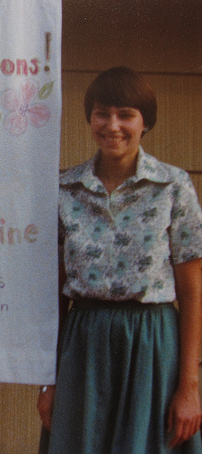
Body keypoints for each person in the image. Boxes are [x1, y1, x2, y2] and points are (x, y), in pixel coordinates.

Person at [38, 67, 202, 453]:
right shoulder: (65, 190)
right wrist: (49, 380)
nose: (113, 125)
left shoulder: (172, 186)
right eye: (102, 113)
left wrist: (189, 386)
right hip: (83, 347)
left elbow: (193, 292)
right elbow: (53, 296)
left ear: (146, 122)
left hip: (152, 346)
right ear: (90, 119)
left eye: (126, 114)